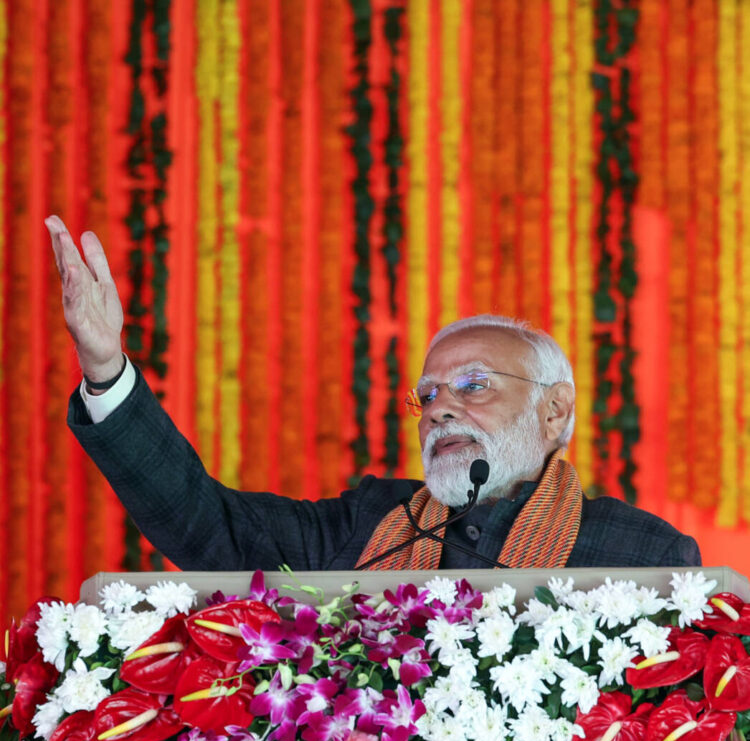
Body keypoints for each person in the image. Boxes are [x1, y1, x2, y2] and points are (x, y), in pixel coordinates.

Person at [46, 214, 701, 571]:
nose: (439, 407)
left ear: (554, 409)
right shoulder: (372, 527)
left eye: (472, 385)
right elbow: (203, 521)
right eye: (427, 395)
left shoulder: (640, 555)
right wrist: (107, 369)